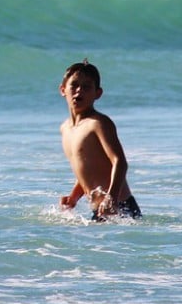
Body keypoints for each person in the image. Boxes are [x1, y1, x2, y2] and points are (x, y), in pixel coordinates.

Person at [58, 59, 141, 221]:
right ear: (63, 90)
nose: (79, 90)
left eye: (86, 87)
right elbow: (88, 171)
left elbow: (120, 162)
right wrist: (74, 197)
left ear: (98, 93)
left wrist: (112, 198)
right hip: (100, 210)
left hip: (119, 207)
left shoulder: (98, 123)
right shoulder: (65, 129)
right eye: (74, 85)